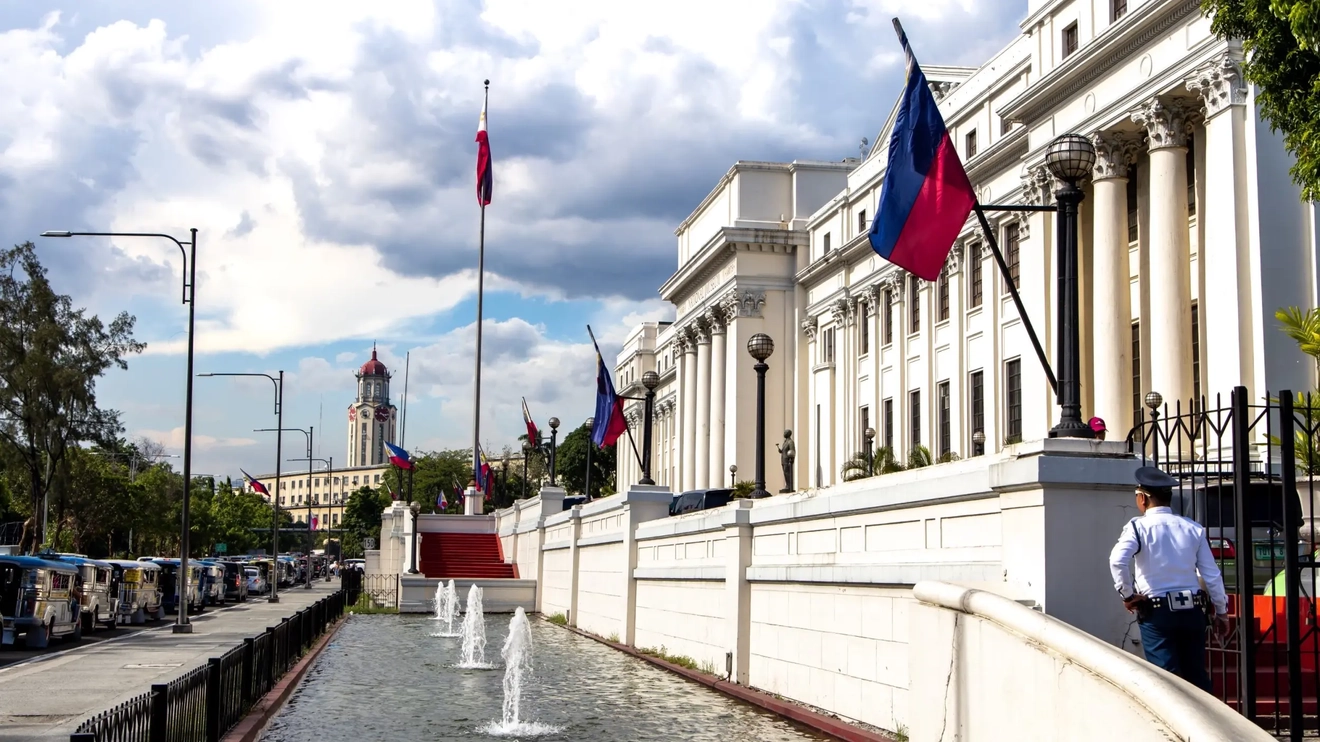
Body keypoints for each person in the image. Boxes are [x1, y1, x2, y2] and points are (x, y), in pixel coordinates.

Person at [1108, 465, 1230, 691]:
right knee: (1197, 677)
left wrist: (1127, 595)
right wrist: (1221, 611)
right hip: (1193, 611)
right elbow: (1211, 574)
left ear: (1143, 498)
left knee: (1167, 679)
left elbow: (1117, 561)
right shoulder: (1193, 528)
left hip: (1158, 612)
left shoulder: (1138, 527)